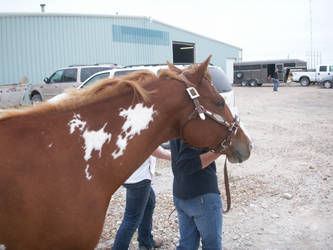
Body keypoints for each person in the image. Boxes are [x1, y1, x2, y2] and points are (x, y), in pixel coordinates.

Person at [112, 146, 171, 250]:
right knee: (131, 219)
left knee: (149, 202)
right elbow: (152, 148)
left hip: (130, 173)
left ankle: (146, 241)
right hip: (138, 178)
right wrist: (174, 156)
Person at [170, 138, 224, 250]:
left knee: (187, 245)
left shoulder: (178, 122)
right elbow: (186, 165)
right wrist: (220, 150)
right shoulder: (195, 124)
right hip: (202, 194)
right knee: (211, 246)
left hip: (181, 192)